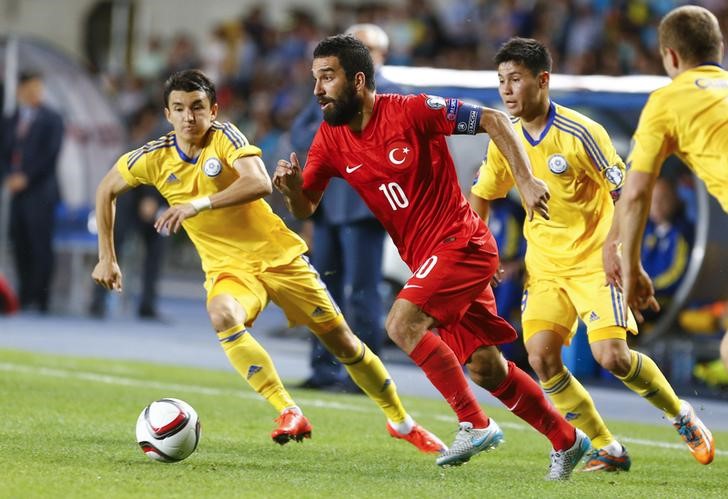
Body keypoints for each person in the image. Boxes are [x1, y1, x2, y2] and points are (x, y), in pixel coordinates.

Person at [274, 34, 590, 479]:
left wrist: (526, 179)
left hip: (462, 243)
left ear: (358, 79)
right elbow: (307, 205)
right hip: (428, 259)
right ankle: (567, 439)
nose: (317, 89)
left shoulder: (412, 110)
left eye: (327, 77)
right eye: (315, 78)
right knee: (486, 368)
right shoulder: (329, 139)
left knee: (401, 323)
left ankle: (473, 423)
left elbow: (495, 119)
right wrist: (291, 192)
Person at [91, 69, 444, 455]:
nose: (189, 118)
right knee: (222, 313)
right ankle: (287, 410)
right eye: (179, 109)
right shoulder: (154, 157)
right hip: (229, 269)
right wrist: (107, 257)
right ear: (167, 113)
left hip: (279, 258)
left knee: (343, 343)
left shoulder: (225, 137)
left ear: (214, 109)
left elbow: (259, 182)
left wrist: (198, 204)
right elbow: (107, 188)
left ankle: (401, 422)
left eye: (197, 108)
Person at [469, 37, 714, 471]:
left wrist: (619, 250)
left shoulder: (582, 132)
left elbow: (625, 194)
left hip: (595, 262)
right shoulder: (504, 140)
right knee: (542, 357)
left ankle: (683, 416)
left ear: (543, 80)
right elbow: (482, 196)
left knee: (612, 358)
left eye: (516, 80)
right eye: (501, 81)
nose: (507, 90)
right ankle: (606, 446)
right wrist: (479, 250)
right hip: (544, 267)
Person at [617, 4, 724, 463]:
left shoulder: (667, 100)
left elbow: (637, 192)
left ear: (671, 57)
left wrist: (629, 263)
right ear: (717, 49)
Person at [290, 23, 400, 392]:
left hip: (365, 207)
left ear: (380, 55)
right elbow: (299, 132)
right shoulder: (328, 89)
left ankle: (368, 376)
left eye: (364, 47)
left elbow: (377, 139)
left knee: (363, 293)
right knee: (321, 292)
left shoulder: (392, 93)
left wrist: (337, 134)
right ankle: (324, 371)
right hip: (328, 204)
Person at [90, 103, 168, 320]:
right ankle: (97, 302)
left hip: (154, 200)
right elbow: (152, 162)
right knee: (114, 250)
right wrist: (150, 198)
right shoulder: (162, 131)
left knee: (155, 252)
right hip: (130, 199)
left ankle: (147, 305)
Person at [0, 71, 64, 313]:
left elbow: (50, 155)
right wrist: (9, 175)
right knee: (20, 244)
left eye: (39, 88)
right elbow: (4, 152)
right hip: (16, 193)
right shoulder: (11, 118)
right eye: (31, 89)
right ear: (20, 91)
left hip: (41, 192)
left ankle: (41, 298)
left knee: (40, 245)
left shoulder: (53, 119)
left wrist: (26, 177)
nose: (36, 93)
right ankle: (25, 294)